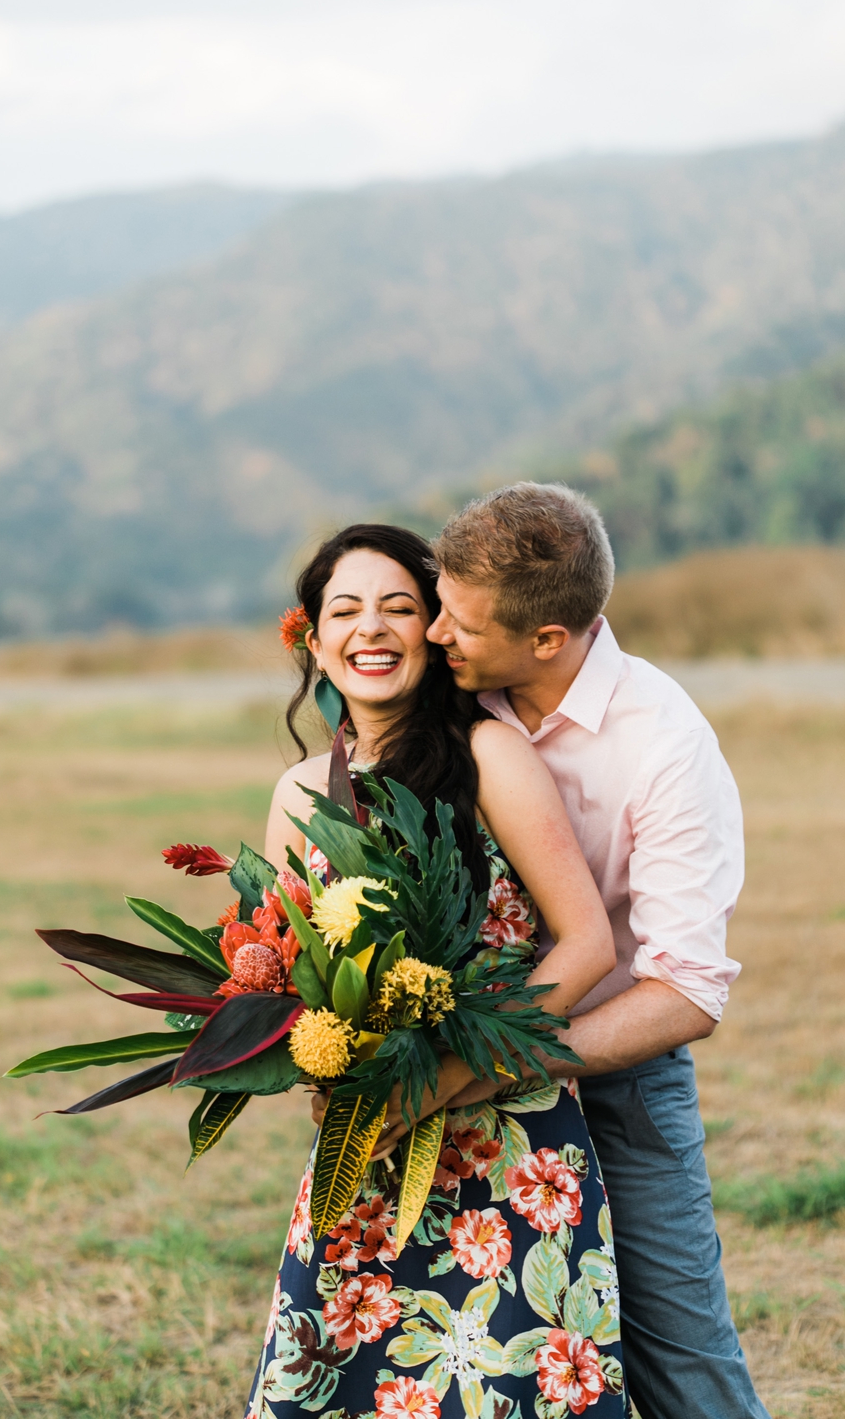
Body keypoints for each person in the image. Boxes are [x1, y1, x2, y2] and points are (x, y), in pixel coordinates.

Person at [246, 523, 628, 1419]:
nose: (370, 629)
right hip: (367, 1146)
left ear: (436, 630)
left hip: (508, 1138)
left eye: (399, 609)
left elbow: (585, 945)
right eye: (345, 610)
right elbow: (275, 972)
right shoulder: (300, 792)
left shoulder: (491, 756)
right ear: (311, 635)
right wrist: (310, 1062)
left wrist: (451, 1075)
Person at [422, 482, 769, 1419]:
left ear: (549, 638)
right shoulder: (448, 701)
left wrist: (497, 1064)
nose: (433, 634)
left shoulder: (662, 744)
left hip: (616, 1073)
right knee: (476, 1357)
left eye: (460, 622)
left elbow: (688, 991)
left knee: (679, 1352)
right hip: (440, 1074)